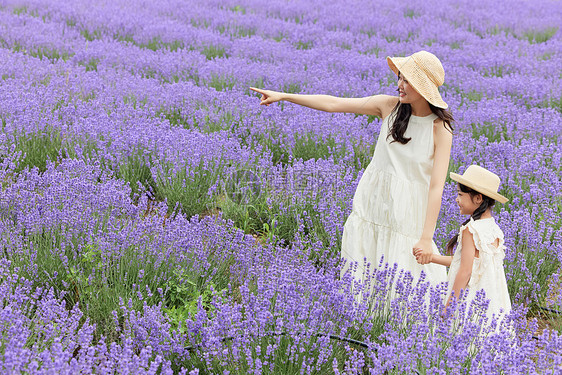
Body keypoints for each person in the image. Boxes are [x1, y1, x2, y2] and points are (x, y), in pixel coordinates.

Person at [250, 50, 453, 289]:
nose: (400, 84)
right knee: (365, 265)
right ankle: (362, 322)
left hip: (408, 209)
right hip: (374, 198)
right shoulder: (388, 107)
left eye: (407, 80)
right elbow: (334, 103)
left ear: (423, 87)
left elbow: (437, 186)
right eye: (400, 77)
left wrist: (427, 237)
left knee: (407, 274)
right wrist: (284, 96)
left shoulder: (440, 128)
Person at [415, 165, 511, 318]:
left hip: (469, 299)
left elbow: (465, 271)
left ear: (478, 198)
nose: (456, 199)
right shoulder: (494, 229)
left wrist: (449, 308)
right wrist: (431, 258)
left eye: (460, 194)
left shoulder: (471, 230)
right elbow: (465, 261)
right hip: (491, 300)